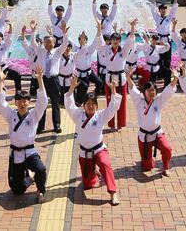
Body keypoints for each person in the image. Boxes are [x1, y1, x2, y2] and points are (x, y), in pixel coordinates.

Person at [65, 75, 122, 206]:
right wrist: (71, 88)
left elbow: (113, 107)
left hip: (98, 149)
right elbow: (69, 105)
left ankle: (113, 193)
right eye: (88, 104)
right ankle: (94, 172)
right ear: (84, 106)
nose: (90, 107)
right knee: (88, 184)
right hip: (84, 153)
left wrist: (113, 89)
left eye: (93, 104)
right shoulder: (77, 115)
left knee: (105, 163)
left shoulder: (101, 115)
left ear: (96, 106)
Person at [0, 65, 48, 203]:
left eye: (25, 101)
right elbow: (0, 103)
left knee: (41, 169)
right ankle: (28, 176)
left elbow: (43, 102)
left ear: (29, 102)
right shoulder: (11, 114)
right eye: (20, 101)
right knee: (17, 190)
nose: (22, 104)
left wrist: (40, 80)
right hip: (16, 154)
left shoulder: (34, 115)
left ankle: (40, 191)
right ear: (16, 102)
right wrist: (1, 82)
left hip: (30, 152)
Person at [127, 66, 178, 175]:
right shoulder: (139, 102)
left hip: (157, 133)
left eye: (153, 90)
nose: (151, 92)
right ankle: (147, 160)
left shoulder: (158, 101)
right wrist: (128, 77)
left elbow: (168, 91)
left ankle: (165, 167)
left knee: (167, 148)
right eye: (149, 90)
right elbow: (132, 89)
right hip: (144, 136)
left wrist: (175, 78)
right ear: (144, 92)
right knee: (147, 167)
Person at [27, 20, 70, 133]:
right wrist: (32, 31)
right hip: (42, 80)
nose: (48, 45)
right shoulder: (40, 51)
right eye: (46, 43)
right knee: (42, 103)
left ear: (54, 43)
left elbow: (65, 44)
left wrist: (64, 33)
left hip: (54, 80)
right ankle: (40, 126)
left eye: (50, 43)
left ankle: (57, 124)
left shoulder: (57, 51)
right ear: (44, 43)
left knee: (55, 103)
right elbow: (33, 43)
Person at [96, 18, 138, 129]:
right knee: (110, 101)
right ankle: (111, 123)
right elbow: (99, 42)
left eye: (117, 39)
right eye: (113, 39)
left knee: (122, 102)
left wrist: (132, 27)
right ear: (110, 40)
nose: (115, 41)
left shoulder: (123, 50)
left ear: (119, 41)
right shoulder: (106, 49)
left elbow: (130, 41)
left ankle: (120, 124)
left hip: (121, 78)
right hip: (110, 78)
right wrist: (99, 28)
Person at [151, 0, 179, 85]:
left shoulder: (169, 18)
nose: (163, 11)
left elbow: (174, 9)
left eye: (165, 9)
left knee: (167, 60)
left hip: (167, 40)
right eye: (162, 9)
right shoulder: (156, 17)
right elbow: (152, 9)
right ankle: (158, 76)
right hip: (159, 40)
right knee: (158, 59)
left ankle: (167, 81)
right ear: (159, 10)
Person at [73, 31, 103, 104]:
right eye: (80, 39)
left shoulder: (90, 49)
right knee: (84, 88)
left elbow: (96, 40)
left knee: (99, 82)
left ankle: (94, 95)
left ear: (86, 41)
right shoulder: (76, 50)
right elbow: (68, 41)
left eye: (84, 39)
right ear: (79, 41)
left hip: (89, 73)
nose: (82, 40)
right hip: (79, 74)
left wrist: (99, 29)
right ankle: (78, 102)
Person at [58, 41, 75, 106]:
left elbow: (83, 52)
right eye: (66, 47)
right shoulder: (58, 56)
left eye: (69, 47)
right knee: (62, 101)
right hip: (61, 79)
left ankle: (77, 101)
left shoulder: (74, 55)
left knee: (83, 86)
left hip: (70, 78)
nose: (67, 48)